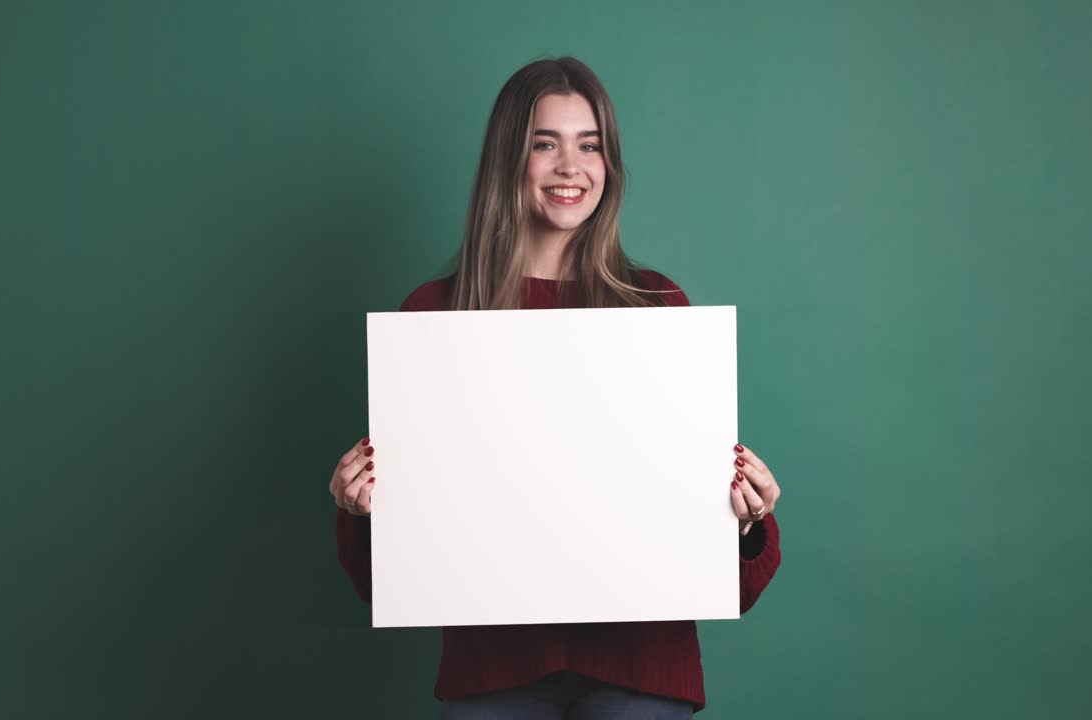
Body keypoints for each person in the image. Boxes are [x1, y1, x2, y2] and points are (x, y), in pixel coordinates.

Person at [330, 56, 783, 718]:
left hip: (641, 663)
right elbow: (387, 579)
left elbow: (726, 576)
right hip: (492, 667)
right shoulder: (432, 317)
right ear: (508, 161)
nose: (571, 166)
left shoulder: (657, 307)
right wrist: (361, 509)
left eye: (589, 145)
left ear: (610, 166)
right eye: (546, 144)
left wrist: (747, 520)